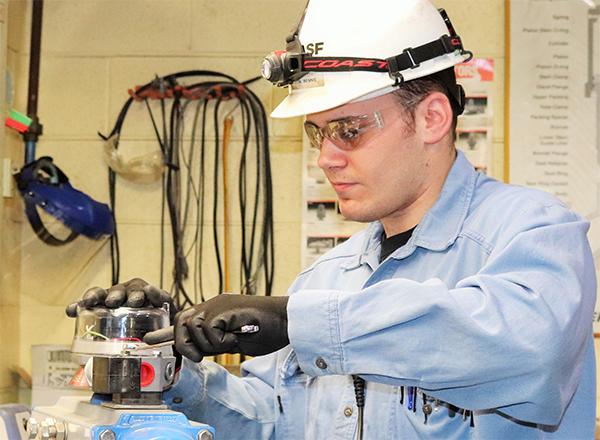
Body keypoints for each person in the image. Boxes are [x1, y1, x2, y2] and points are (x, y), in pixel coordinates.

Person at [67, 0, 597, 438]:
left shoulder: (535, 234)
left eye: (349, 130)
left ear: (432, 117)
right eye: (319, 133)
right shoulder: (331, 276)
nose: (325, 158)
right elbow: (270, 417)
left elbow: (532, 350)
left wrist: (297, 321)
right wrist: (164, 361)